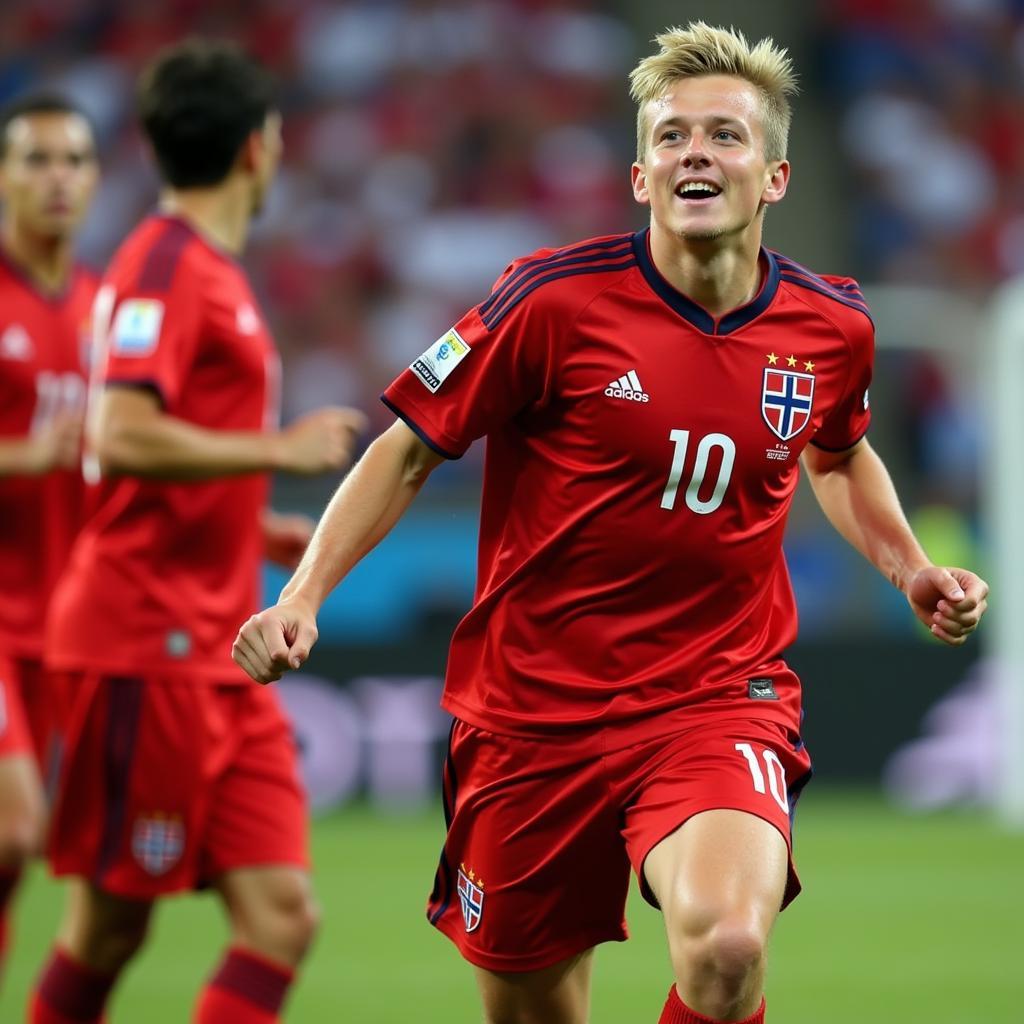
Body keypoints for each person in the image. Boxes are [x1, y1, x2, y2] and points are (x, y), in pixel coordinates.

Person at [234, 22, 989, 1024]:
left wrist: (909, 566)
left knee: (726, 946)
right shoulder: (551, 301)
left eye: (724, 135)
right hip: (531, 716)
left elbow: (839, 453)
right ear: (640, 176)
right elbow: (406, 446)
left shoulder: (830, 326)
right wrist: (301, 597)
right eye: (671, 136)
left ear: (772, 175)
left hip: (715, 693)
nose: (695, 153)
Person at [32, 41, 365, 1024]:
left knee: (282, 916)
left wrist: (247, 520)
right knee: (110, 925)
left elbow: (157, 449)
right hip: (144, 644)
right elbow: (122, 433)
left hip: (224, 643)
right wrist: (280, 445)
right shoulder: (162, 264)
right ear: (259, 149)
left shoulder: (201, 268)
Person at [0, 94, 99, 983]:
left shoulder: (107, 310)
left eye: (72, 160)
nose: (56, 178)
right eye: (35, 160)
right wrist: (25, 454)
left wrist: (254, 527)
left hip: (72, 626)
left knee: (75, 866)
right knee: (13, 829)